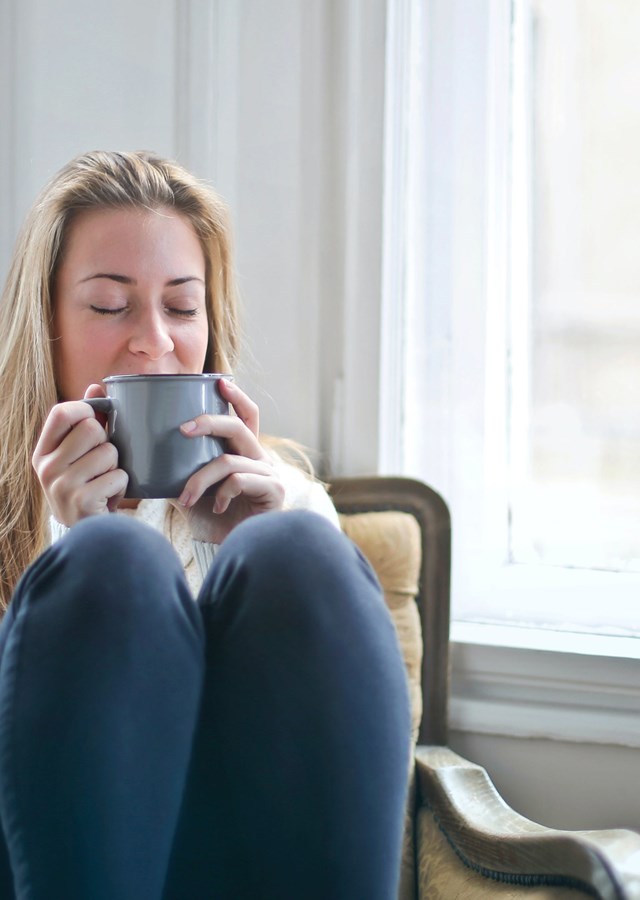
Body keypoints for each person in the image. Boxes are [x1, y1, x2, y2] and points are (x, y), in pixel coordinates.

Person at [0, 150, 411, 899]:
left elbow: (349, 769)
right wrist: (70, 544)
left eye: (182, 307)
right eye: (108, 305)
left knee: (294, 547)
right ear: (47, 324)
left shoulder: (287, 503)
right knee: (111, 563)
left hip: (256, 858)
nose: (154, 339)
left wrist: (236, 548)